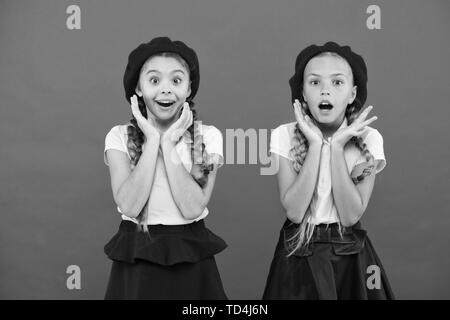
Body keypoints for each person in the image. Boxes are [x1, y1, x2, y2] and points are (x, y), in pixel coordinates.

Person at [263, 42, 394, 299]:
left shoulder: (370, 138)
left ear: (352, 94)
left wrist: (335, 148)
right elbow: (295, 211)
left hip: (350, 257)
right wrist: (315, 145)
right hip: (298, 253)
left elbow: (350, 216)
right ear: (302, 92)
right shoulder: (283, 135)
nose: (325, 91)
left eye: (337, 83)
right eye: (315, 83)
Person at [103, 37, 227, 299]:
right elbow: (130, 206)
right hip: (137, 253)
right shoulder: (118, 137)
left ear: (189, 89)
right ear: (138, 87)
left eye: (176, 80)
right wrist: (152, 140)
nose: (166, 89)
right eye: (154, 80)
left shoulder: (209, 137)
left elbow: (193, 207)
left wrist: (169, 143)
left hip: (191, 254)